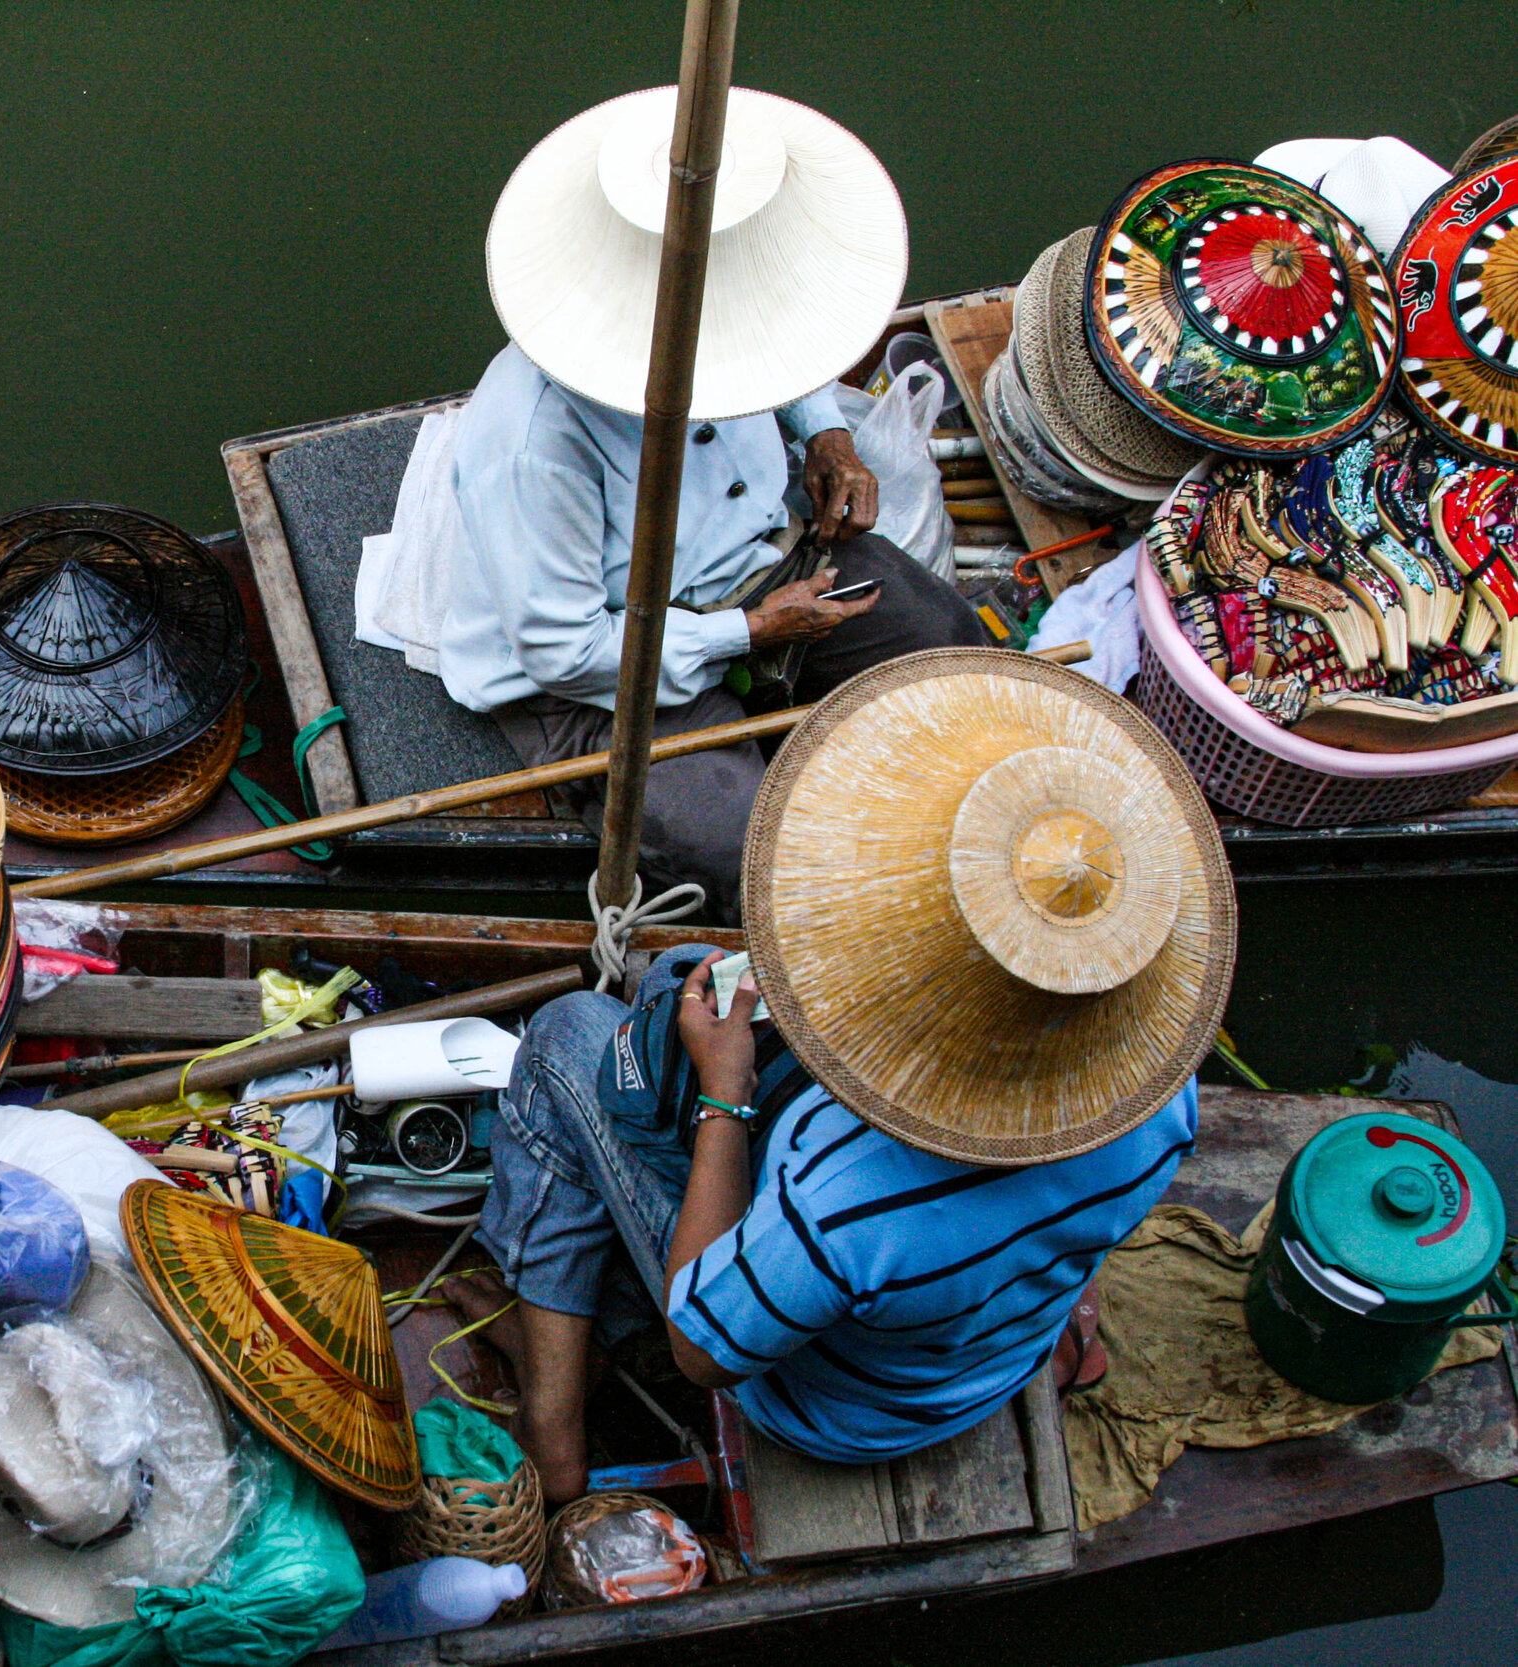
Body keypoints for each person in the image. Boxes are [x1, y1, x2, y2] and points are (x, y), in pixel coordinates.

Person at [450, 652, 1236, 1503]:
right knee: (682, 974)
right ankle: (587, 1306)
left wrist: (724, 1096)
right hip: (983, 1358)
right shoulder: (1159, 1094)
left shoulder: (846, 1191)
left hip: (826, 1405)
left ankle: (553, 1422)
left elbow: (702, 1348)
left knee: (568, 1036)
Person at [437, 85, 982, 920]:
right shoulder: (534, 445)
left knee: (950, 651)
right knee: (763, 855)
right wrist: (753, 632)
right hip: (604, 668)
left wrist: (826, 435)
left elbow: (778, 343)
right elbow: (563, 650)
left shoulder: (729, 298)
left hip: (761, 561)